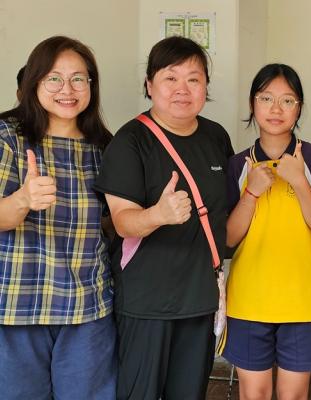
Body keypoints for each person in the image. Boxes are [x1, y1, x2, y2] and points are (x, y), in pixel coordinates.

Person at [94, 36, 234, 400]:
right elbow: (122, 221)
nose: (182, 89)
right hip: (147, 302)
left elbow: (224, 215)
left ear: (205, 86)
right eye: (170, 77)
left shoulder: (216, 137)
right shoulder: (131, 141)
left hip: (199, 299)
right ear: (149, 84)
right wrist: (158, 214)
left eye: (194, 79)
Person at [0, 36, 115, 400]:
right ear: (34, 82)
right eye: (54, 78)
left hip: (87, 305)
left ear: (91, 85)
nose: (67, 89)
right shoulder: (8, 137)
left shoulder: (105, 147)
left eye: (78, 78)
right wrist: (23, 199)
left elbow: (112, 225)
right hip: (17, 305)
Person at [219, 63, 311, 400]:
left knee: (293, 394)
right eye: (266, 98)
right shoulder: (238, 164)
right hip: (249, 299)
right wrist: (251, 193)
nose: (276, 109)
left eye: (287, 100)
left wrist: (298, 180)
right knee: (253, 393)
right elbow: (228, 238)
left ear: (299, 107)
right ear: (252, 104)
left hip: (303, 300)